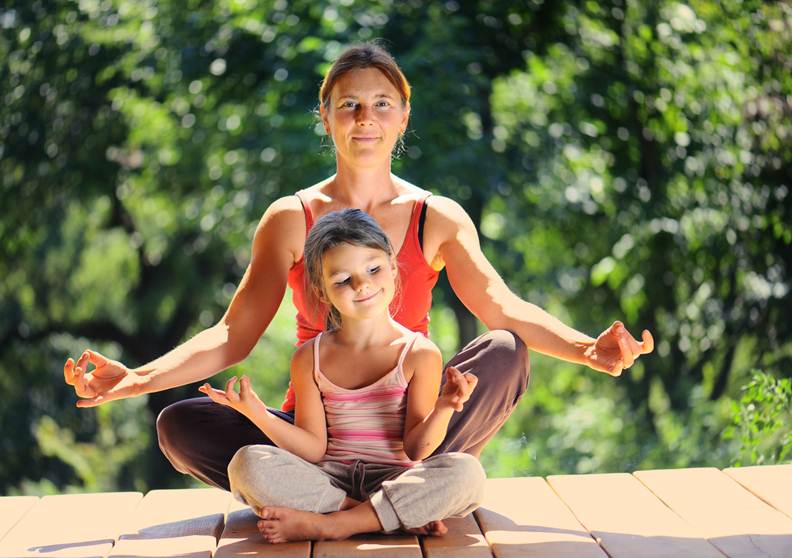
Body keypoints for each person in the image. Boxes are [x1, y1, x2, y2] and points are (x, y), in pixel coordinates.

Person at [63, 42, 654, 491]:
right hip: (316, 439)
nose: (364, 117)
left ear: (401, 118)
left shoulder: (436, 216)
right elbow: (232, 335)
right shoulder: (290, 217)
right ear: (326, 117)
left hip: (414, 427)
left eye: (381, 105)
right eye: (349, 105)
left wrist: (586, 348)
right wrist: (137, 379)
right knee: (181, 425)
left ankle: (404, 482)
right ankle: (352, 494)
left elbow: (502, 306)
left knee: (503, 351)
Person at [198, 208, 485, 542]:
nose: (362, 284)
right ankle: (369, 514)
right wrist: (256, 413)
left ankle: (332, 523)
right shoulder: (310, 357)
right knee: (246, 464)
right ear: (321, 290)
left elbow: (417, 450)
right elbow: (314, 449)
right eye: (343, 279)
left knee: (467, 474)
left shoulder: (419, 354)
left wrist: (445, 406)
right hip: (331, 481)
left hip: (394, 478)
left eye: (374, 269)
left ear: (393, 268)